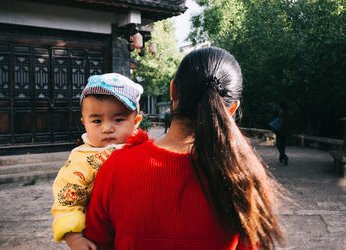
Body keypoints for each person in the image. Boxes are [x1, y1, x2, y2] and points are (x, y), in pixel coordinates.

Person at [84, 47, 285, 249]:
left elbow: (95, 244)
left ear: (173, 91)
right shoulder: (242, 174)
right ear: (232, 109)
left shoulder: (116, 167)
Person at [51, 73, 143, 249]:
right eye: (96, 121)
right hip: (99, 236)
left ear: (136, 121)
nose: (107, 128)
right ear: (84, 122)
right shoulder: (82, 159)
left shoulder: (144, 149)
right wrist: (74, 238)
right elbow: (66, 199)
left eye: (118, 119)